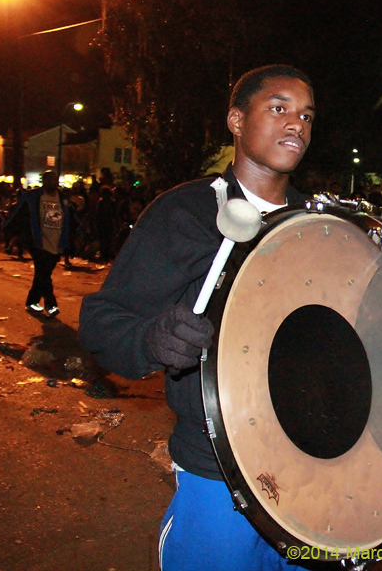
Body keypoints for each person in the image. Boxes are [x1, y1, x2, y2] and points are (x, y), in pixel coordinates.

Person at [79, 65, 313, 571]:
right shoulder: (183, 213)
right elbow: (102, 319)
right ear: (235, 119)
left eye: (305, 115)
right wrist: (152, 339)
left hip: (312, 466)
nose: (296, 124)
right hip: (218, 468)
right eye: (278, 108)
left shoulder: (318, 225)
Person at [3, 171, 72, 317]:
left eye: (54, 180)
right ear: (44, 181)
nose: (52, 182)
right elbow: (16, 214)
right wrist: (9, 229)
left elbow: (71, 219)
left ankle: (32, 301)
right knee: (44, 273)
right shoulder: (32, 197)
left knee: (43, 274)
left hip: (57, 242)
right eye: (49, 180)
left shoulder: (63, 199)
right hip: (38, 242)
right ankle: (51, 305)